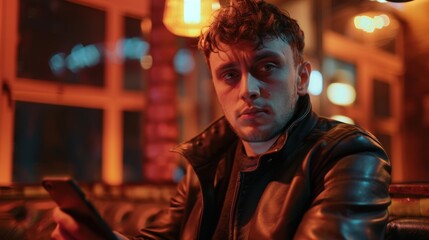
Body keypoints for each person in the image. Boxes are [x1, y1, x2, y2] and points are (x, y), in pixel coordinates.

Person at [51, 0, 391, 239]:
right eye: (230, 74)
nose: (249, 89)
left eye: (267, 67)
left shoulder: (349, 154)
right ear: (215, 85)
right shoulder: (208, 161)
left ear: (301, 78)